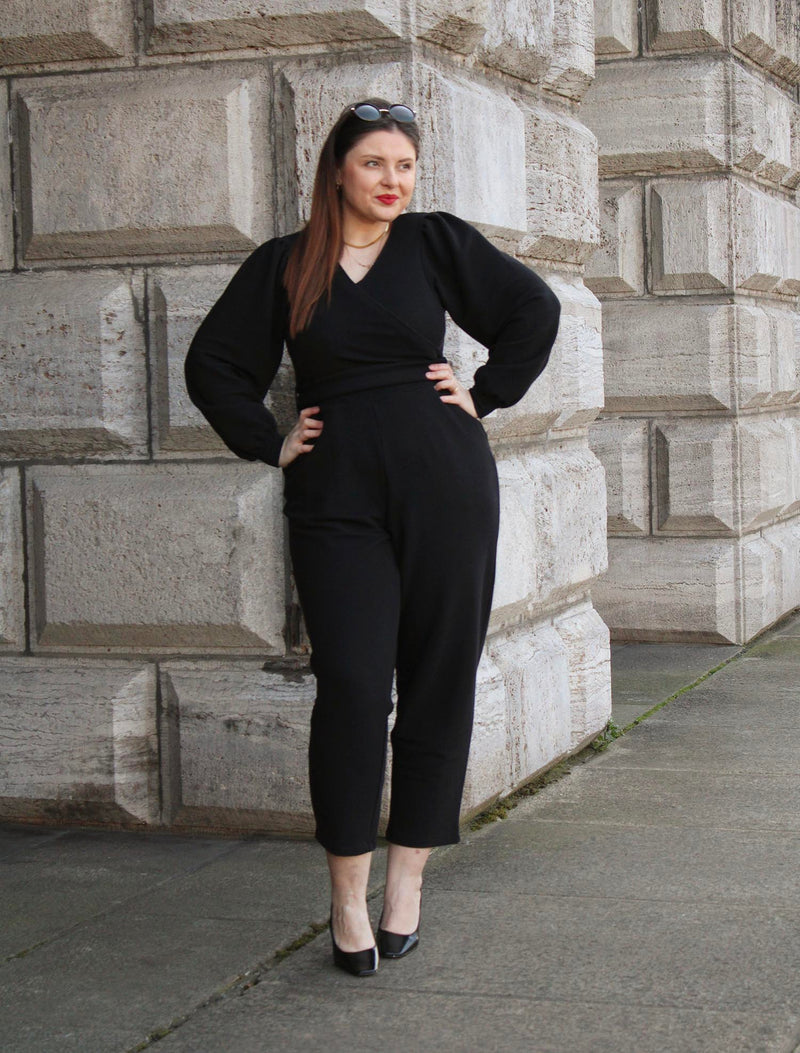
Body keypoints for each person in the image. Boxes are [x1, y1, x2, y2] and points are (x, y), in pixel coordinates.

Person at [184, 98, 561, 977]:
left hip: (446, 484)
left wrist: (486, 391)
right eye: (374, 164)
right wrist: (268, 438)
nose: (393, 181)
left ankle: (407, 883)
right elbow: (213, 364)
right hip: (336, 496)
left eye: (405, 166)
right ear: (338, 172)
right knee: (353, 685)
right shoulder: (286, 264)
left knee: (438, 677)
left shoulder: (434, 242)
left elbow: (533, 308)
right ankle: (346, 895)